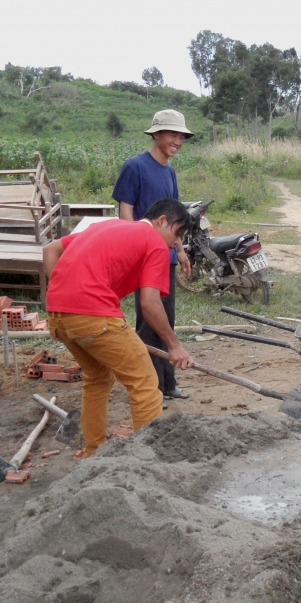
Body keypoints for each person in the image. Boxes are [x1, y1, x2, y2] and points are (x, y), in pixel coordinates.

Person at [44, 198, 195, 457]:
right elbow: (149, 303)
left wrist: (64, 291)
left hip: (58, 315)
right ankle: (147, 462)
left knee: (97, 378)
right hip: (94, 316)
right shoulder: (154, 243)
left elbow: (50, 250)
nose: (175, 242)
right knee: (146, 383)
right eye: (177, 233)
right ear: (161, 221)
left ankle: (93, 451)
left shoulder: (106, 226)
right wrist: (174, 346)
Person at [111, 109, 195, 400]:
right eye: (172, 134)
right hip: (143, 256)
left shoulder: (169, 171)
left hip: (165, 257)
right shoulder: (135, 166)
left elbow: (175, 217)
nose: (177, 141)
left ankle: (168, 384)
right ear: (156, 134)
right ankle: (151, 388)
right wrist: (130, 249)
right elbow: (126, 210)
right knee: (149, 322)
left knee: (165, 319)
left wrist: (181, 251)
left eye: (181, 136)